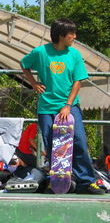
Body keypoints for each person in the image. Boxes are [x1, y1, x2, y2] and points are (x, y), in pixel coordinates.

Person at [20, 18, 105, 194]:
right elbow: (24, 64)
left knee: (79, 141)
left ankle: (86, 182)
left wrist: (67, 105)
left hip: (69, 106)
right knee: (53, 144)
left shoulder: (74, 54)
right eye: (71, 33)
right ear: (61, 35)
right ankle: (59, 182)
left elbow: (77, 82)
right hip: (47, 107)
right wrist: (33, 83)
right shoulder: (41, 52)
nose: (75, 36)